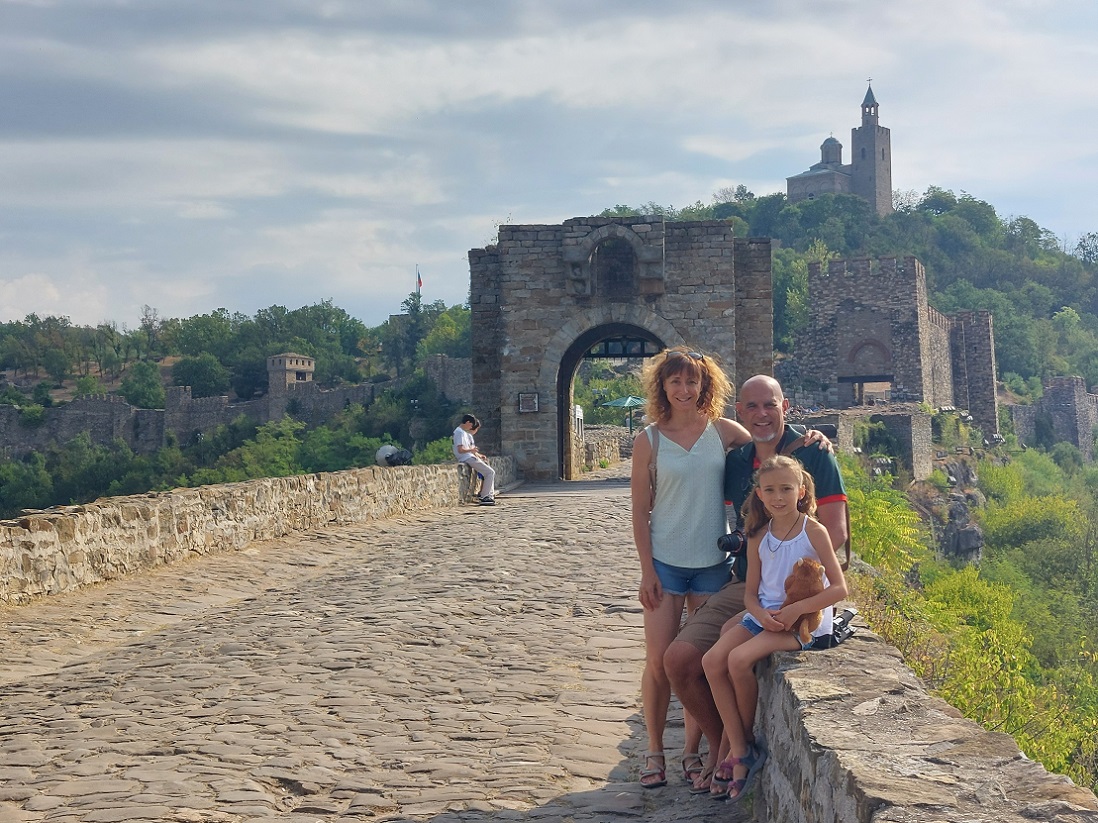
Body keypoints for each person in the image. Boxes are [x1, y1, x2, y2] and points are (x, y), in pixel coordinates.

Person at [629, 352, 831, 791]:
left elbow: (771, 441)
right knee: (660, 662)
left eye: (693, 382)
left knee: (699, 664)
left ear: (706, 386)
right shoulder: (649, 439)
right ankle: (654, 750)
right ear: (662, 387)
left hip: (712, 566)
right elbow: (639, 511)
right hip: (665, 563)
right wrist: (646, 571)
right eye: (675, 382)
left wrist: (810, 436)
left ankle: (697, 752)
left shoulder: (721, 431)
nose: (684, 390)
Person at [702, 455, 848, 803]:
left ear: (801, 491)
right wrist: (758, 614)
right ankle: (741, 746)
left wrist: (796, 608)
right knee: (711, 662)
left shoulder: (813, 531)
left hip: (801, 621)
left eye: (786, 489)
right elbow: (751, 595)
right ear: (759, 494)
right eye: (770, 490)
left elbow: (840, 588)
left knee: (738, 660)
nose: (778, 497)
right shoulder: (758, 536)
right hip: (766, 616)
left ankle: (741, 751)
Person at [453, 414, 496, 506]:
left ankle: (488, 495)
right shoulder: (459, 432)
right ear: (468, 422)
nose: (471, 427)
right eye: (471, 425)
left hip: (469, 456)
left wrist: (476, 454)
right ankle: (485, 496)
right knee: (490, 472)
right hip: (467, 457)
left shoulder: (462, 432)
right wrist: (471, 450)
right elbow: (460, 450)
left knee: (489, 472)